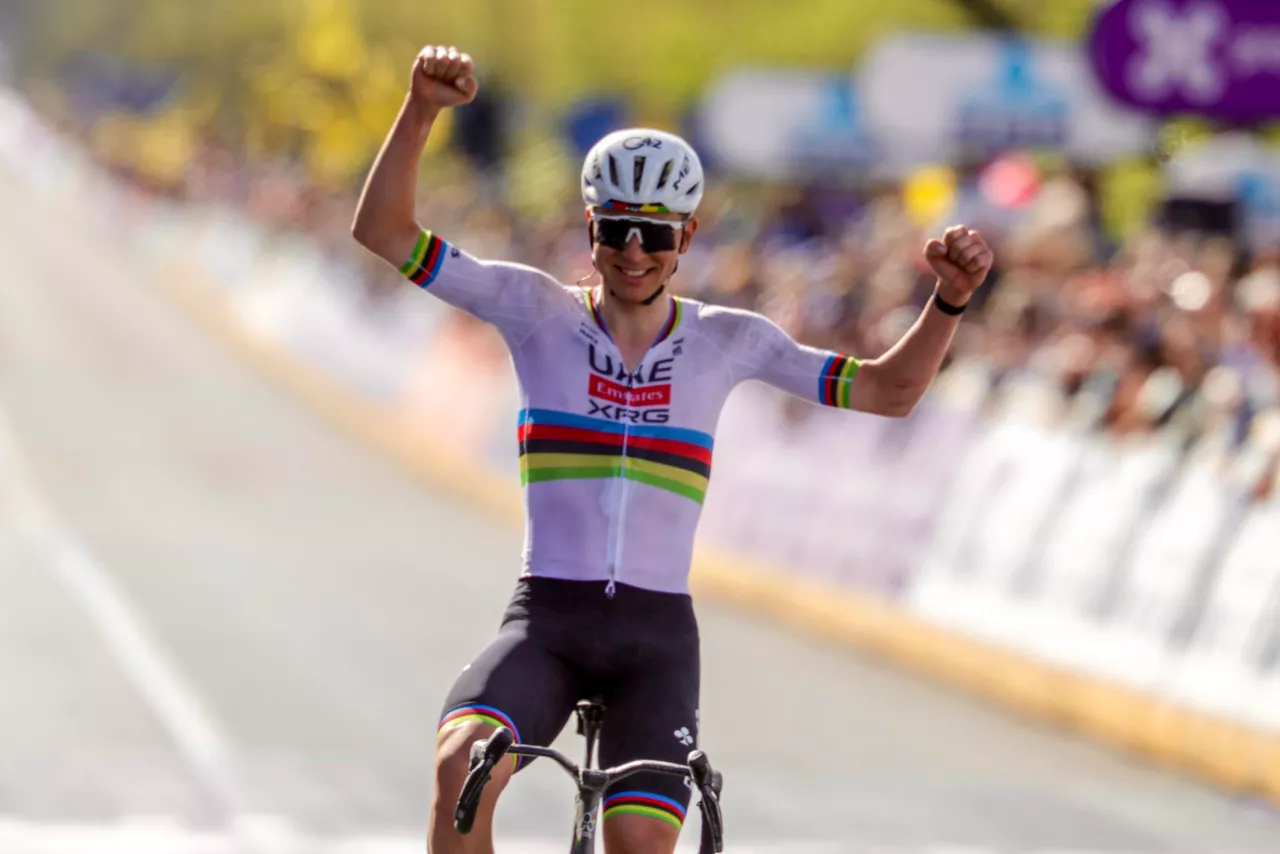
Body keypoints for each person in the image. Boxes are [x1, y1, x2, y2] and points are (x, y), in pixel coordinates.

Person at [351, 45, 994, 854]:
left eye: (653, 233)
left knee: (640, 846)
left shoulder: (728, 342)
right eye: (616, 229)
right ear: (591, 226)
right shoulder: (533, 309)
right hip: (547, 620)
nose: (633, 250)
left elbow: (887, 391)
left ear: (687, 234)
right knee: (461, 770)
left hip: (654, 644)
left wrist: (949, 302)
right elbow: (382, 231)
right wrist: (420, 113)